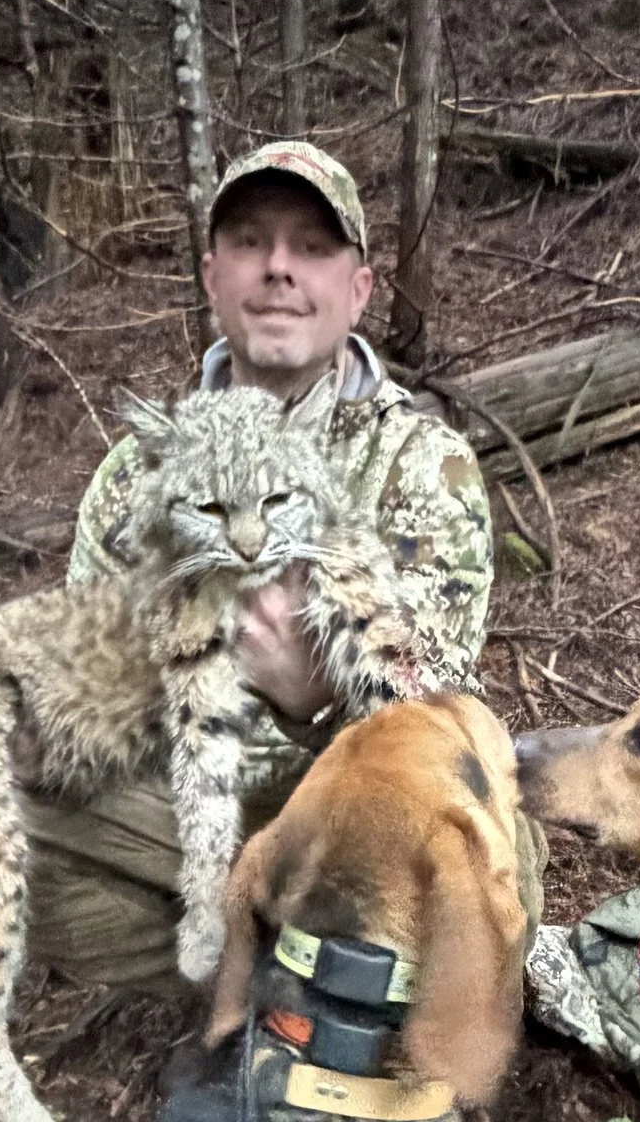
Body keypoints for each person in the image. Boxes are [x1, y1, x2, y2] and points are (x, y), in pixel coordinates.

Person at [25, 139, 496, 983]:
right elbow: (81, 693)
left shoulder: (425, 464)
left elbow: (437, 705)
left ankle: (299, 955)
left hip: (346, 807)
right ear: (212, 278)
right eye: (251, 241)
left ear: (357, 292)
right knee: (3, 751)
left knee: (476, 828)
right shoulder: (138, 472)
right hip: (177, 818)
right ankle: (276, 952)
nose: (279, 268)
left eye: (312, 247)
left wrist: (303, 699)